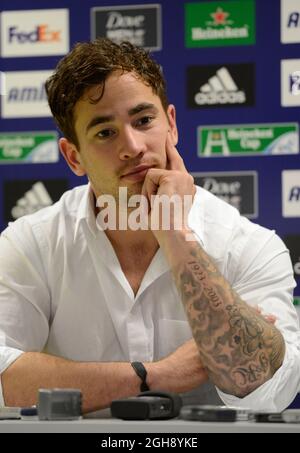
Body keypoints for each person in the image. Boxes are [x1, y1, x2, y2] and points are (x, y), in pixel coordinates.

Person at [0, 38, 299, 414]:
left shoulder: (248, 245)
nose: (133, 145)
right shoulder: (31, 244)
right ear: (74, 156)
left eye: (144, 120)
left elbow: (266, 388)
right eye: (105, 132)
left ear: (171, 124)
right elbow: (2, 381)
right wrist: (155, 376)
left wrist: (177, 237)